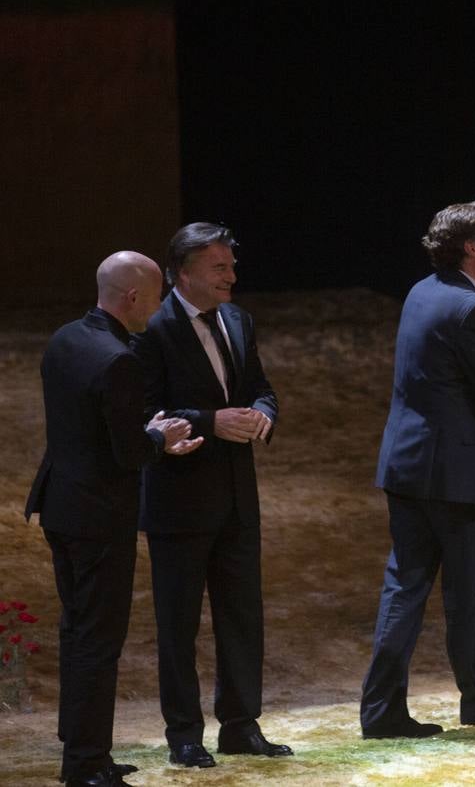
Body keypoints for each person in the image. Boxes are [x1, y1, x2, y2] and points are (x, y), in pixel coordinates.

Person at [360, 201, 475, 738]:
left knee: (404, 587)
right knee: (467, 594)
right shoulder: (470, 309)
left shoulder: (421, 291)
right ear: (471, 247)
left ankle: (381, 709)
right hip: (453, 479)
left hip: (406, 468)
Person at [25, 252, 203, 787]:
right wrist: (160, 439)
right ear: (132, 298)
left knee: (78, 632)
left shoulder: (65, 338)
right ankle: (85, 764)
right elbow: (127, 454)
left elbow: (87, 426)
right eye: (154, 295)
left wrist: (136, 430)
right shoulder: (120, 359)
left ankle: (82, 749)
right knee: (97, 641)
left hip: (60, 505)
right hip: (99, 519)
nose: (159, 303)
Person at [132, 224, 287, 767]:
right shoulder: (153, 327)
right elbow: (144, 410)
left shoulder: (239, 320)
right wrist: (209, 421)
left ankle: (242, 726)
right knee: (178, 625)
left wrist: (263, 415)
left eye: (231, 265)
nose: (231, 275)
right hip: (178, 502)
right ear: (183, 273)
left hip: (238, 501)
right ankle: (184, 736)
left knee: (243, 618)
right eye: (218, 267)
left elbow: (261, 388)